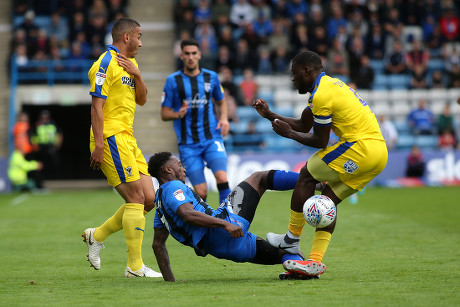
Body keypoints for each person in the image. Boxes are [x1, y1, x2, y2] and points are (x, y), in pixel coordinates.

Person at [252, 51, 388, 270]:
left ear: (307, 70)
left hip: (360, 147)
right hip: (378, 154)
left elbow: (320, 140)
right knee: (326, 202)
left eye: (294, 73)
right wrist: (270, 115)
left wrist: (289, 134)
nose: (292, 78)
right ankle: (314, 261)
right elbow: (304, 124)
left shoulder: (322, 94)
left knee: (306, 175)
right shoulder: (329, 87)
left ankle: (291, 241)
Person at [148, 151, 326, 282]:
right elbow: (187, 214)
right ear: (168, 170)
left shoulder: (160, 205)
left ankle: (297, 268)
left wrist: (170, 281)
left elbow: (157, 244)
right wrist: (225, 225)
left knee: (287, 252)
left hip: (220, 248)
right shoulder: (172, 187)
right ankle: (312, 181)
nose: (184, 169)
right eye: (179, 165)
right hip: (222, 228)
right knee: (259, 178)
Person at [84, 18, 161, 278]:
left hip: (128, 138)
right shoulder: (104, 64)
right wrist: (98, 143)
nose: (141, 42)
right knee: (135, 199)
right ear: (126, 37)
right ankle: (135, 266)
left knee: (149, 199)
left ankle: (98, 235)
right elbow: (96, 106)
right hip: (111, 138)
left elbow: (142, 99)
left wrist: (137, 74)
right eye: (139, 36)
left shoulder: (131, 65)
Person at [161, 39, 231, 204]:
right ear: (181, 56)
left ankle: (227, 218)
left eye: (194, 53)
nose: (190, 57)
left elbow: (221, 101)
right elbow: (164, 113)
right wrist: (178, 114)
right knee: (201, 191)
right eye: (187, 53)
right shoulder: (173, 81)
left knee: (222, 177)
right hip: (188, 144)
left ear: (199, 55)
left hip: (212, 137)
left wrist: (224, 118)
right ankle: (205, 224)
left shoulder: (211, 77)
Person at [31, 110, 63, 180]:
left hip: (51, 146)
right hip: (41, 147)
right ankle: (43, 178)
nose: (44, 119)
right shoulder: (37, 125)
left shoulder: (53, 125)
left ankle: (55, 178)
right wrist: (35, 146)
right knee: (42, 164)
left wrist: (58, 145)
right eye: (43, 118)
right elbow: (33, 136)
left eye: (46, 118)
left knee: (54, 163)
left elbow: (59, 135)